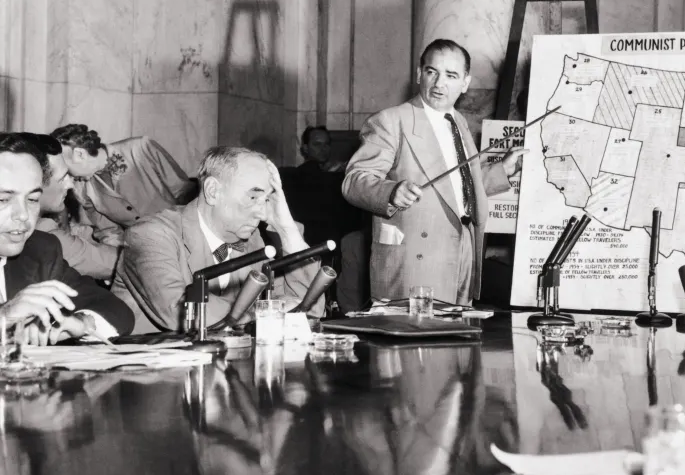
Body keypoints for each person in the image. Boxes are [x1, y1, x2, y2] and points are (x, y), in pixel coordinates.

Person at [342, 39, 524, 305]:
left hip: (463, 249)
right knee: (418, 340)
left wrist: (501, 171)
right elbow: (354, 182)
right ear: (419, 74)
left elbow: (451, 186)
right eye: (432, 72)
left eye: (451, 75)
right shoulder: (391, 121)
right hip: (416, 257)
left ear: (465, 83)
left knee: (457, 337)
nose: (439, 84)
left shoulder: (458, 121)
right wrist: (391, 191)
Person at [111, 146, 324, 334]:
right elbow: (181, 311)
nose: (261, 212)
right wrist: (266, 313)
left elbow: (307, 312)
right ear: (213, 191)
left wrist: (286, 229)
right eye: (253, 197)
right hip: (145, 371)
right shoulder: (150, 235)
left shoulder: (251, 240)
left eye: (267, 199)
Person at [0, 134, 134, 344]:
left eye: (33, 199)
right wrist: (4, 317)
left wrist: (80, 322)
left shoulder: (40, 249)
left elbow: (116, 309)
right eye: (4, 199)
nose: (24, 214)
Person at [50, 124, 196, 248]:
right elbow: (109, 232)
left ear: (80, 154)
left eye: (65, 167)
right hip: (142, 250)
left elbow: (184, 191)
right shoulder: (80, 188)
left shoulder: (141, 148)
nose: (66, 176)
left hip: (186, 238)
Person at [21, 134, 119, 281]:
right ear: (34, 185)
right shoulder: (44, 236)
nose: (70, 184)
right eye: (62, 178)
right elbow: (112, 265)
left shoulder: (41, 223)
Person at [280, 125, 361, 253]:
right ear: (305, 148)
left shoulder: (337, 175)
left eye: (326, 144)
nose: (323, 149)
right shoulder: (299, 176)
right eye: (317, 144)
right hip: (311, 241)